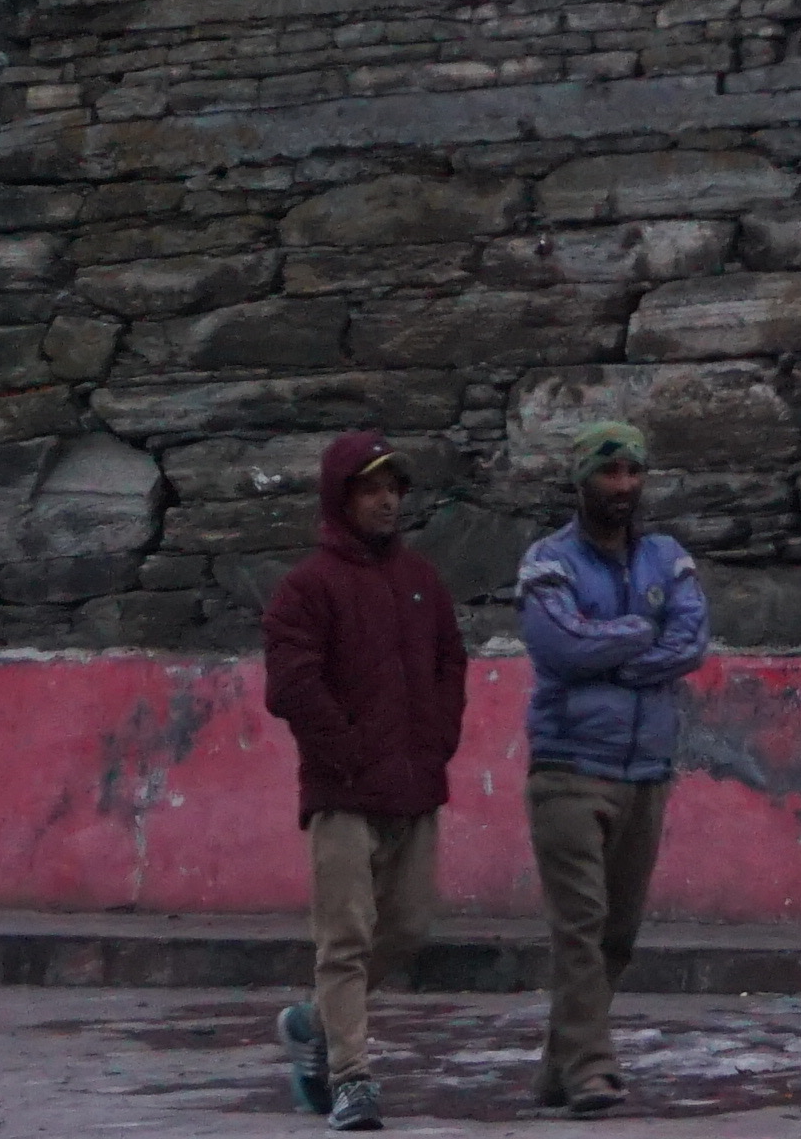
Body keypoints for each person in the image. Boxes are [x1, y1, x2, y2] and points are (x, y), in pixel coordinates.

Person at [259, 430, 466, 1130]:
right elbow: (291, 685)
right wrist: (346, 752)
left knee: (406, 927)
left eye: (393, 488)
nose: (386, 501)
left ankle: (314, 1022)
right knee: (344, 939)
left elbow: (449, 666)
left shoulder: (420, 583)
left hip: (414, 788)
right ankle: (351, 1075)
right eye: (371, 488)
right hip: (343, 792)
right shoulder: (305, 588)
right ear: (339, 497)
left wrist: (436, 746)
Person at [513, 417, 709, 1120]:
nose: (622, 487)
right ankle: (593, 1069)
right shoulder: (549, 563)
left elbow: (690, 642)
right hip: (569, 768)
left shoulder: (668, 557)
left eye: (631, 472)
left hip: (646, 771)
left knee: (617, 934)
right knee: (581, 923)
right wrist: (637, 634)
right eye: (608, 472)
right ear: (580, 480)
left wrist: (612, 649)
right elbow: (560, 645)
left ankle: (557, 1068)